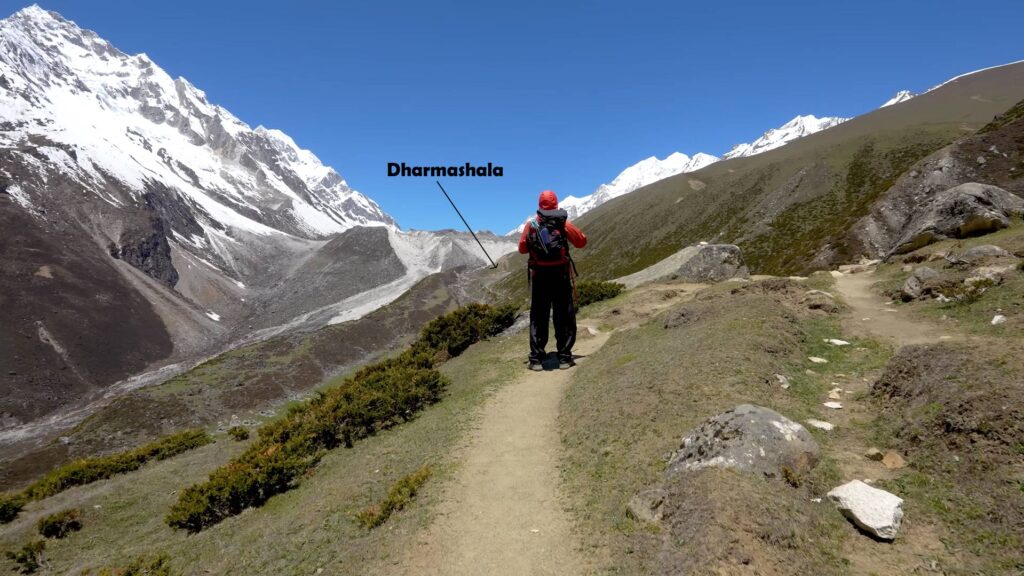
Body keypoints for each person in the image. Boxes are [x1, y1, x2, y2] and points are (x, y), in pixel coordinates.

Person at [518, 190, 587, 371]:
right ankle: (564, 357)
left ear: (540, 205)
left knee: (539, 317)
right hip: (561, 276)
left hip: (539, 276)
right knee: (563, 315)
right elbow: (581, 242)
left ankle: (536, 359)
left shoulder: (531, 224)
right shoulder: (563, 223)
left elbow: (522, 249)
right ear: (556, 204)